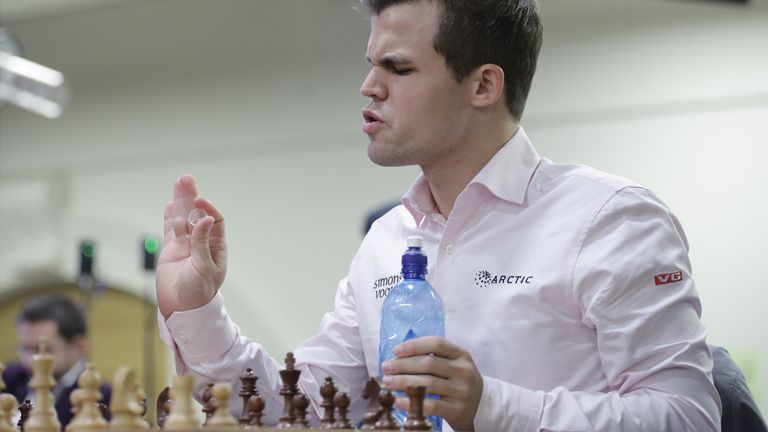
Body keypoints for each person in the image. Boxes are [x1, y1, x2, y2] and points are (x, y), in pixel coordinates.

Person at [156, 0, 723, 430]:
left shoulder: (609, 220)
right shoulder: (386, 239)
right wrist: (197, 309)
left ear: (483, 85)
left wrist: (494, 405)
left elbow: (688, 415)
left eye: (398, 69)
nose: (368, 87)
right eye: (371, 63)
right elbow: (298, 403)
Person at [1, 293, 111, 427]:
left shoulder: (103, 398)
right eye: (25, 349)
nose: (30, 360)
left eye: (44, 350)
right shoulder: (9, 377)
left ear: (79, 347)